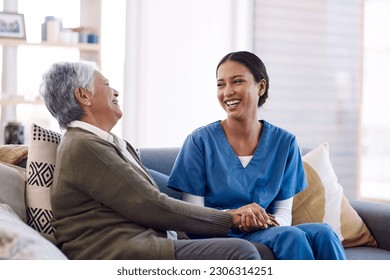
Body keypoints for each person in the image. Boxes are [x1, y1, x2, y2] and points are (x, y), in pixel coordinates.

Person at [39, 61, 262, 260]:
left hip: (147, 242)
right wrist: (228, 218)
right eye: (106, 84)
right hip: (120, 253)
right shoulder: (84, 146)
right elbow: (151, 205)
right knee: (241, 253)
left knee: (262, 250)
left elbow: (153, 199)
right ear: (84, 95)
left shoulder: (108, 143)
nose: (115, 91)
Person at [167, 51, 347, 260]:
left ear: (261, 87)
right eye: (220, 84)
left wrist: (264, 222)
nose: (227, 92)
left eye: (237, 81)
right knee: (291, 237)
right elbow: (194, 215)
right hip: (217, 233)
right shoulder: (199, 141)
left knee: (324, 233)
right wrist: (235, 217)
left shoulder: (285, 142)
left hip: (268, 231)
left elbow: (283, 211)